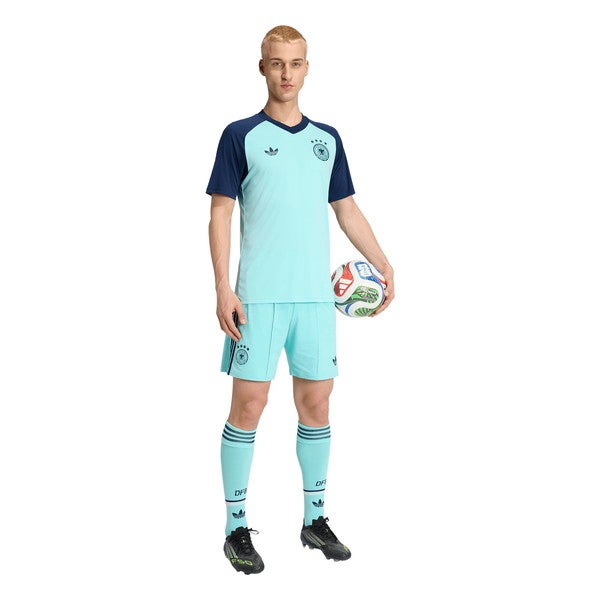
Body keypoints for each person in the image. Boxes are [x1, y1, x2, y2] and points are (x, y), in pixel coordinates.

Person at [206, 25, 395, 575]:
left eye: (295, 63)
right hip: (258, 299)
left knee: (317, 405)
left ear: (307, 68)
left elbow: (346, 208)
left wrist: (383, 262)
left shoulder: (327, 140)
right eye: (276, 63)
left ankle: (315, 519)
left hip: (315, 300)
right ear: (262, 67)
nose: (286, 73)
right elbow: (220, 213)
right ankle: (235, 526)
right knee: (249, 407)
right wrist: (222, 287)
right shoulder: (239, 135)